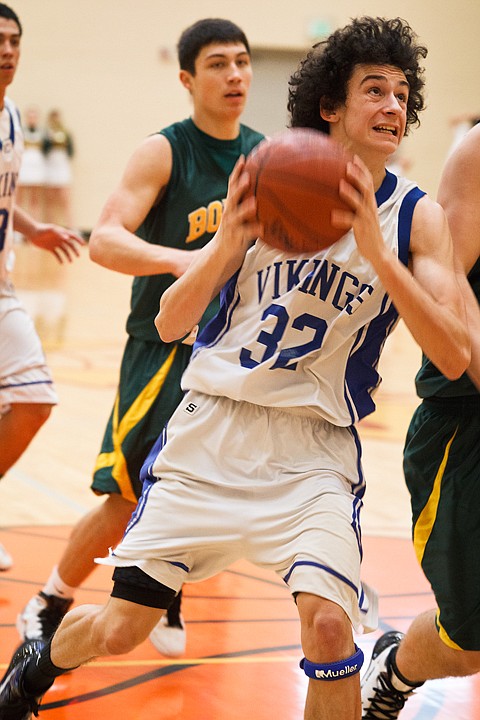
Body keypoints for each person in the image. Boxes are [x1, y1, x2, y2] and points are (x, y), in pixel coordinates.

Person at [0, 15, 471, 720]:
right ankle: (36, 667)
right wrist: (226, 244)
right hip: (210, 434)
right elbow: (169, 322)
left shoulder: (415, 217)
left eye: (404, 94)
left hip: (314, 452)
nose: (394, 107)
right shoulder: (261, 189)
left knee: (333, 626)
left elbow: (457, 352)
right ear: (330, 107)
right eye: (375, 91)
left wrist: (378, 255)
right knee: (123, 627)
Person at [15, 18, 263, 658]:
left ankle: (162, 595)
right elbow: (104, 239)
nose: (235, 74)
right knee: (126, 494)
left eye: (241, 62)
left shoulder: (267, 158)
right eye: (217, 64)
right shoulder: (165, 151)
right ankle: (51, 599)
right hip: (162, 350)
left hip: (232, 358)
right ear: (187, 78)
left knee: (208, 493)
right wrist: (184, 262)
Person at [361, 124, 480, 717]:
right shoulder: (478, 151)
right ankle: (394, 673)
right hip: (468, 418)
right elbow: (453, 293)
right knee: (470, 640)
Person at [0, 4, 84, 572]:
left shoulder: (10, 114)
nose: (8, 49)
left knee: (34, 398)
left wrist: (32, 228)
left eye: (14, 41)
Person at [42, 109, 74, 228]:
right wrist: (49, 140)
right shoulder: (46, 134)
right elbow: (44, 151)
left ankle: (71, 227)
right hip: (51, 166)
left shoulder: (66, 133)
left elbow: (71, 152)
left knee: (65, 200)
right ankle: (51, 226)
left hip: (62, 166)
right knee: (50, 200)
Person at [16, 106, 46, 220]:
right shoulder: (20, 131)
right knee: (20, 197)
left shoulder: (43, 133)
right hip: (24, 164)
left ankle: (35, 221)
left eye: (34, 117)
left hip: (36, 165)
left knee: (35, 199)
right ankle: (17, 229)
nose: (32, 119)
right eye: (30, 117)